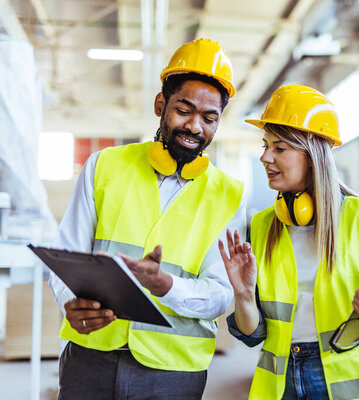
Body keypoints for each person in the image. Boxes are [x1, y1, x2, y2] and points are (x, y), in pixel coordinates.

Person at [48, 38, 245, 399]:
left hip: (173, 373)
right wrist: (68, 302)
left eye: (209, 118)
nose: (195, 127)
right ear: (161, 105)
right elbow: (65, 255)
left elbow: (220, 295)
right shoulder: (104, 165)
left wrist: (166, 286)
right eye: (184, 110)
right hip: (90, 359)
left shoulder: (230, 195)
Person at [219, 84, 359, 400]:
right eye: (265, 145)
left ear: (313, 156)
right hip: (284, 383)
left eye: (280, 148)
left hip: (354, 385)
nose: (265, 157)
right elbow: (254, 334)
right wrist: (243, 298)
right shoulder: (262, 226)